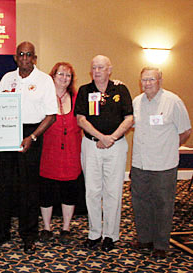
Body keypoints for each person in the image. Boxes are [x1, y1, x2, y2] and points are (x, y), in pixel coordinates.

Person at [0, 41, 57, 253]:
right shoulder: (6, 78)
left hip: (31, 136)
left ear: (34, 58)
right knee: (3, 186)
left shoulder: (44, 80)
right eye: (20, 54)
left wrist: (32, 136)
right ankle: (2, 232)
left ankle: (28, 235)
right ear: (15, 57)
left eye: (28, 54)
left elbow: (51, 115)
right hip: (7, 133)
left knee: (28, 189)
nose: (24, 58)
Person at [74, 55, 133, 252]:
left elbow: (129, 118)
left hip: (115, 146)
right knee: (92, 191)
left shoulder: (120, 89)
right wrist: (101, 137)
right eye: (94, 68)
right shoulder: (85, 90)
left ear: (110, 70)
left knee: (112, 191)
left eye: (101, 67)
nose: (97, 71)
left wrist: (111, 138)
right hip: (91, 146)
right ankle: (94, 233)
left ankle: (111, 235)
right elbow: (81, 119)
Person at [131, 67, 191, 258]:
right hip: (140, 164)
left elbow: (185, 131)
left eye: (151, 80)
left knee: (163, 205)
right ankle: (145, 239)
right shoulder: (136, 102)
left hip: (164, 165)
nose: (147, 84)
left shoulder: (173, 102)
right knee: (140, 203)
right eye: (144, 80)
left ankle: (161, 244)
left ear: (160, 81)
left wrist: (169, 146)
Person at [39, 62, 81, 243]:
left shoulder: (78, 97)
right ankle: (47, 228)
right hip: (49, 152)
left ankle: (66, 228)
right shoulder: (44, 95)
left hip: (72, 153)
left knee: (69, 192)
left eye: (68, 75)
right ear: (53, 76)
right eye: (61, 74)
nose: (64, 78)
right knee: (47, 192)